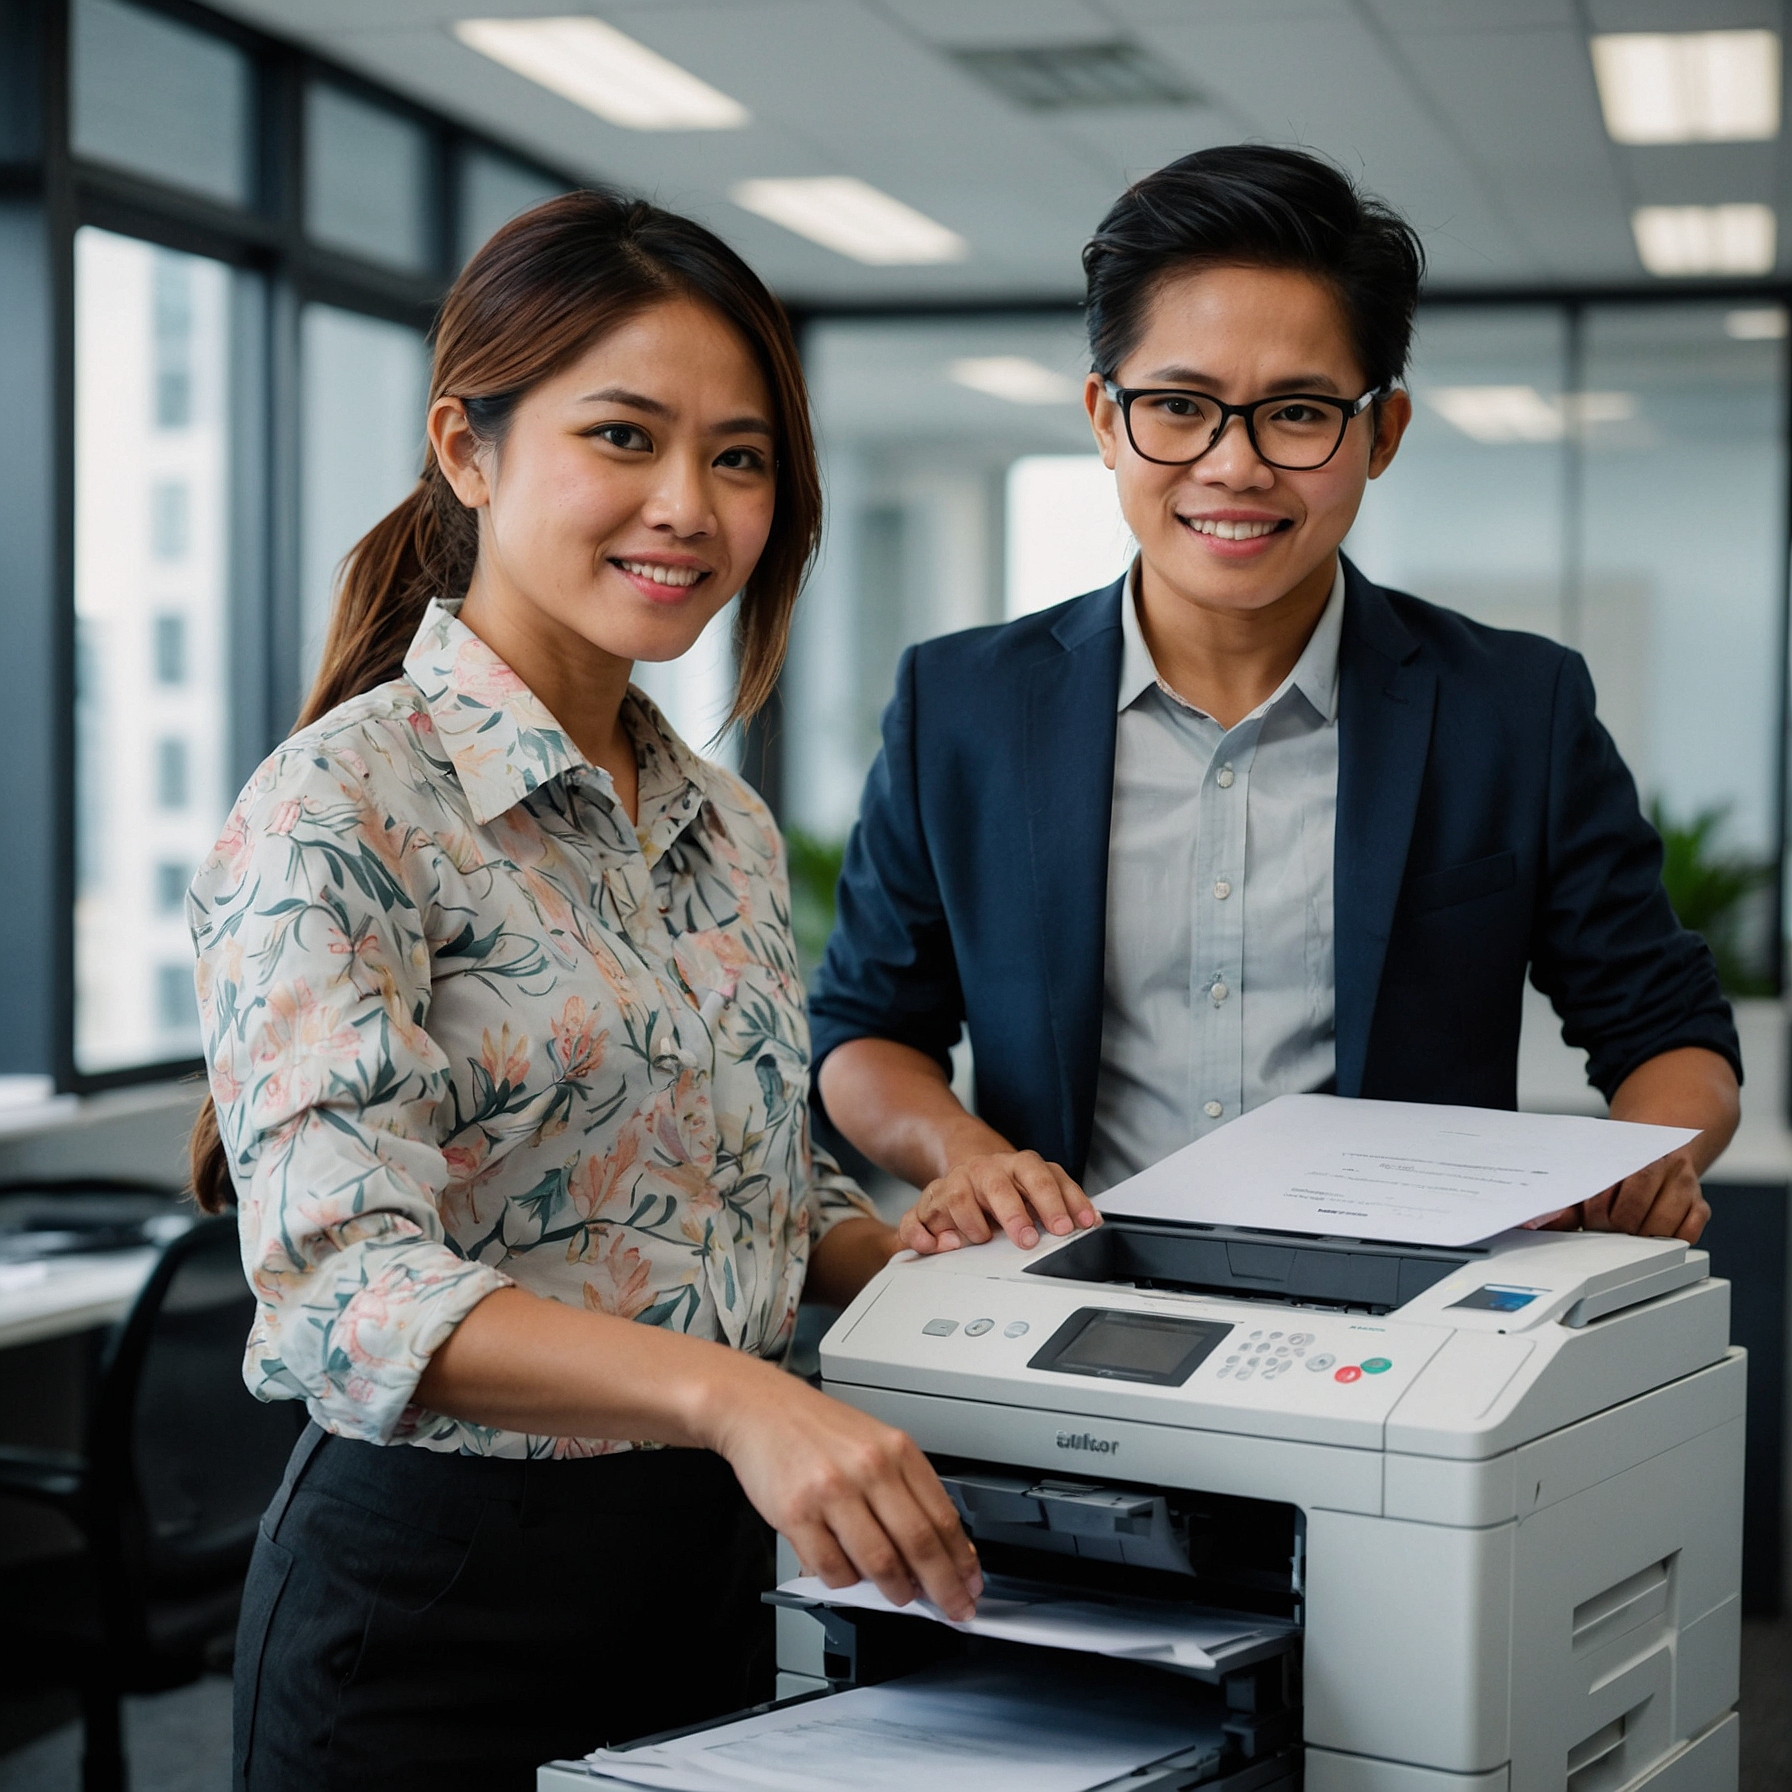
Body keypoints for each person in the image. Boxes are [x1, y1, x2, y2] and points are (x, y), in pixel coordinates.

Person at [187, 191, 978, 1792]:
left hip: (714, 1584)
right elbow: (346, 1293)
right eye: (624, 437)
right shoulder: (338, 806)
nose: (688, 506)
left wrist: (913, 1258)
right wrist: (735, 1394)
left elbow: (717, 1192)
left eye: (740, 458)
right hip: (435, 1620)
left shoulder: (721, 821)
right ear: (468, 453)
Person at [809, 146, 1741, 1261]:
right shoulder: (960, 704)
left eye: (1296, 413)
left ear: (1379, 433)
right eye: (1179, 406)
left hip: (1402, 1330)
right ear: (1106, 420)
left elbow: (1668, 1034)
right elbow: (865, 1035)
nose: (1233, 466)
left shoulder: (1513, 708)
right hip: (1058, 1306)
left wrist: (1645, 1155)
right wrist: (965, 1152)